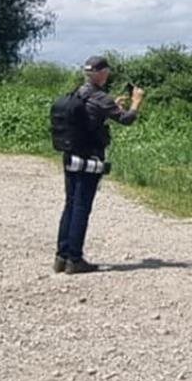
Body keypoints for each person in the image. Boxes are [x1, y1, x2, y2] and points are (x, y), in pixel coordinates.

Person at [54, 56, 144, 274]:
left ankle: (61, 256)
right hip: (89, 158)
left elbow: (93, 116)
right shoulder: (100, 97)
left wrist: (114, 105)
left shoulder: (79, 93)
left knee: (70, 203)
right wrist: (136, 101)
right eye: (107, 72)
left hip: (70, 154)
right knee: (82, 207)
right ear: (102, 73)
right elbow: (127, 120)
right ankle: (75, 259)